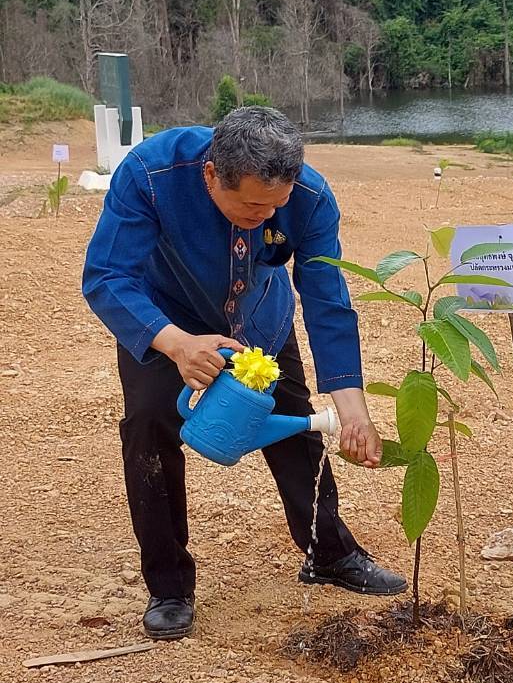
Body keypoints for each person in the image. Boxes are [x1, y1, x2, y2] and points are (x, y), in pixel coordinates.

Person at [83, 106, 406, 641]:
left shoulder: (310, 197)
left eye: (275, 205)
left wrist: (353, 412)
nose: (265, 216)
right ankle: (168, 585)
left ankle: (325, 551)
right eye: (252, 204)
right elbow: (106, 275)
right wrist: (177, 344)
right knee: (149, 429)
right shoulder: (149, 174)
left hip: (260, 319)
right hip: (164, 323)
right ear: (212, 174)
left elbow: (327, 300)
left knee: (297, 426)